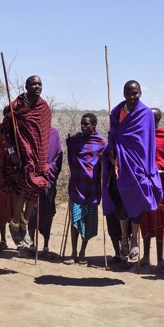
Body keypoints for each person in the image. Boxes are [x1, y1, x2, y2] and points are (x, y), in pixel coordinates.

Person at [102, 80, 162, 269]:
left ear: (140, 93)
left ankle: (134, 239)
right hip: (119, 165)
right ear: (123, 93)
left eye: (135, 93)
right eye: (128, 92)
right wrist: (111, 150)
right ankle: (124, 241)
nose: (132, 96)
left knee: (135, 202)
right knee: (120, 202)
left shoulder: (146, 115)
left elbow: (147, 142)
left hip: (137, 165)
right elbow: (113, 134)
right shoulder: (117, 112)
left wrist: (146, 167)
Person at [2, 75, 52, 249]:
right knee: (23, 188)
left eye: (40, 84)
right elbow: (6, 128)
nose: (37, 86)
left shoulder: (44, 108)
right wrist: (12, 151)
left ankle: (25, 221)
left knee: (36, 188)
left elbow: (43, 133)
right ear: (26, 86)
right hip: (23, 154)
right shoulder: (17, 105)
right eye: (33, 84)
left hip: (39, 154)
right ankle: (15, 223)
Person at [64, 113, 106, 265]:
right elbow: (70, 151)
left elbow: (105, 164)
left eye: (86, 124)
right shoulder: (77, 141)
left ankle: (82, 252)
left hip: (92, 188)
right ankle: (73, 252)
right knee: (75, 220)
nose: (83, 126)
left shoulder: (101, 143)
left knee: (88, 222)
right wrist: (71, 140)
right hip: (76, 186)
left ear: (94, 125)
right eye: (82, 123)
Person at [139, 108, 164, 270]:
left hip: (160, 184)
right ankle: (146, 256)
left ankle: (160, 258)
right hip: (144, 184)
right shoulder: (141, 136)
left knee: (159, 219)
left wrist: (159, 170)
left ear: (157, 119)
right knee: (145, 218)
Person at [28, 126, 63, 257]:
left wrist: (47, 168)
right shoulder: (32, 131)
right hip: (33, 178)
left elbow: (58, 158)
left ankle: (46, 245)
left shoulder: (54, 133)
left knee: (47, 211)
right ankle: (32, 243)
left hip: (49, 181)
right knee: (31, 212)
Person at [0, 106, 15, 251]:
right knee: (0, 206)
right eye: (7, 115)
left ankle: (19, 239)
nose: (9, 118)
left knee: (14, 206)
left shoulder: (19, 131)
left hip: (14, 173)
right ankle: (3, 239)